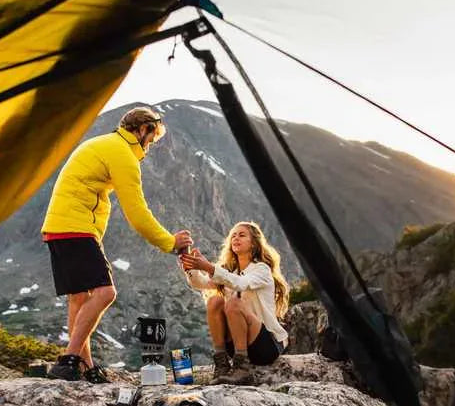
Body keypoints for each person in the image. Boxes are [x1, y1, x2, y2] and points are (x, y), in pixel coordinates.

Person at [41, 106, 192, 381]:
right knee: (105, 292)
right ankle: (69, 360)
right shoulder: (122, 153)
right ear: (143, 130)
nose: (150, 146)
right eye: (153, 138)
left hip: (58, 227)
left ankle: (84, 366)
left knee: (80, 297)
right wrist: (170, 242)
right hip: (76, 227)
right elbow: (137, 213)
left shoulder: (103, 143)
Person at [179, 220, 290, 385]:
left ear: (253, 244)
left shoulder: (262, 269)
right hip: (238, 345)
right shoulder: (231, 271)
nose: (236, 238)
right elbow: (200, 283)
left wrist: (209, 267)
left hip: (265, 346)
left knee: (233, 303)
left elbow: (240, 283)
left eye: (242, 235)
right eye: (233, 236)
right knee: (215, 301)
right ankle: (222, 363)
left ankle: (243, 370)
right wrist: (190, 267)